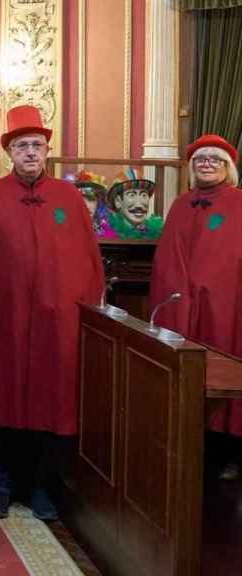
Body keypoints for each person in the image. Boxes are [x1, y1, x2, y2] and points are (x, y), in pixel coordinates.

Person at [0, 105, 104, 520]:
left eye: (37, 145)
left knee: (52, 399)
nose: (30, 152)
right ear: (10, 151)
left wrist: (85, 309)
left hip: (55, 321)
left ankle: (42, 484)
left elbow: (88, 259)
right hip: (3, 317)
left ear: (46, 151)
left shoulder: (68, 198)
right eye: (22, 145)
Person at [150, 134, 242, 477]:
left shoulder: (238, 203)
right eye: (200, 159)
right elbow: (167, 258)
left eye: (215, 159)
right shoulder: (180, 204)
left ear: (228, 167)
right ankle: (187, 451)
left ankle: (228, 453)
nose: (206, 164)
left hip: (226, 306)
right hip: (181, 305)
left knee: (224, 370)